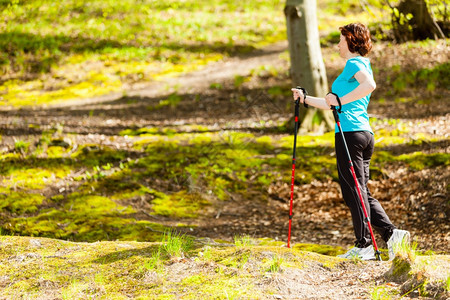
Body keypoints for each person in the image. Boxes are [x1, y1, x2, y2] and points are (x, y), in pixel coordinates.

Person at [291, 23, 410, 261]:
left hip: (350, 135)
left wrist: (340, 101)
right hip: (363, 134)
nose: (337, 44)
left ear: (351, 41)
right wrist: (305, 100)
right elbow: (331, 103)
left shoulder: (354, 64)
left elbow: (368, 87)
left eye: (340, 40)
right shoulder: (360, 65)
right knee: (360, 190)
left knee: (353, 191)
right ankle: (392, 234)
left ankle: (365, 244)